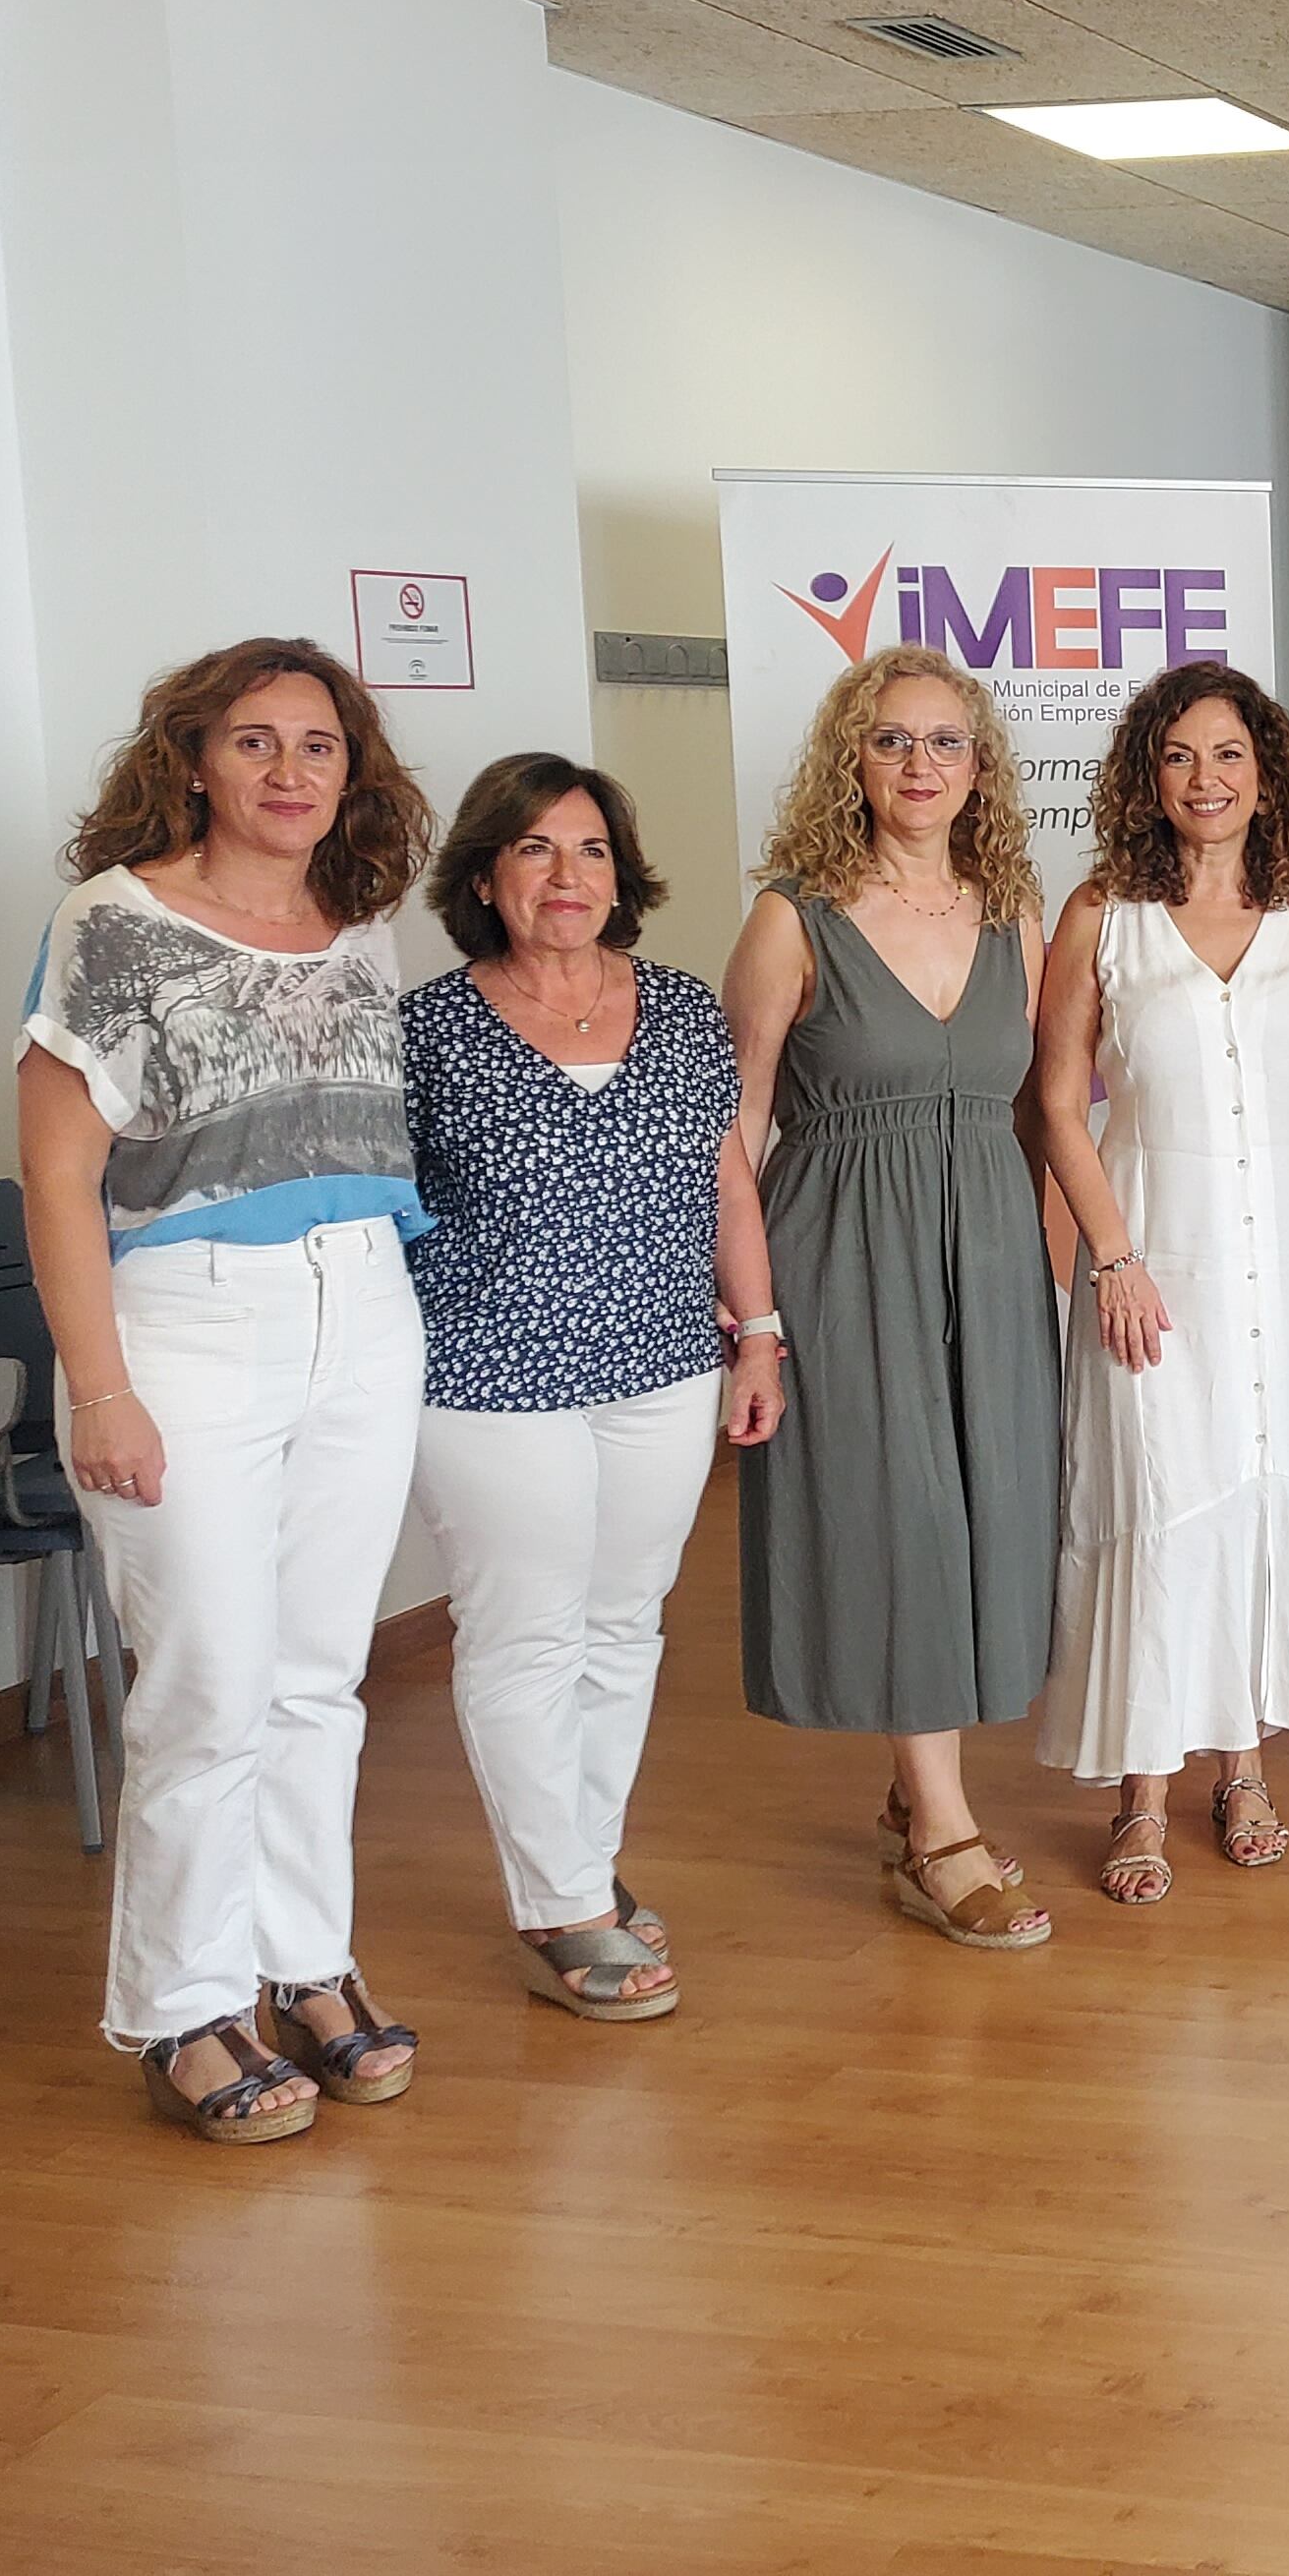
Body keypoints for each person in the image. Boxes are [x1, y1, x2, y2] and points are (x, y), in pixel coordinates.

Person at [18, 638, 432, 2140]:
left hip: (365, 1308)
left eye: (316, 746)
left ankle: (303, 1964)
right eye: (252, 743)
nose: (288, 772)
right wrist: (102, 1388)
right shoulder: (113, 921)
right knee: (206, 1691)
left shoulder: (361, 920)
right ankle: (185, 2009)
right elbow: (57, 1176)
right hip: (186, 1326)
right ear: (191, 759)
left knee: (322, 1678)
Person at [1026, 664, 1289, 1902]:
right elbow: (1055, 1099)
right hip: (1157, 1249)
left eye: (1230, 755)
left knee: (1255, 1490)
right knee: (1160, 1491)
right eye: (1183, 756)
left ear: (1267, 776)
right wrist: (1114, 1255)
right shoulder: (1104, 916)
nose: (1208, 779)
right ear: (1151, 776)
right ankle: (1143, 1789)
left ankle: (1243, 1765)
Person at [403, 753, 781, 2021]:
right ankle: (559, 1904)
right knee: (525, 1631)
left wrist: (761, 1335)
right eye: (534, 850)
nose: (566, 877)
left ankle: (584, 1871)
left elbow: (727, 1184)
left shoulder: (677, 1010)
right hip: (487, 1373)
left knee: (624, 1624)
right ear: (485, 875)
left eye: (590, 851)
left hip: (664, 1363)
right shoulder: (427, 1029)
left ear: (621, 874)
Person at [722, 644, 1061, 1953]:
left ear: (980, 768)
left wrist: (1034, 1258)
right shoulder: (791, 917)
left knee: (982, 1519)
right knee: (903, 1519)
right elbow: (737, 1129)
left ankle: (910, 1781)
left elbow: (1046, 1109)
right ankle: (942, 1831)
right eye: (893, 741)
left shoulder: (1010, 909)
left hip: (988, 1248)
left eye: (946, 742)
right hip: (842, 1252)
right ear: (849, 761)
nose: (922, 765)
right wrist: (752, 1313)